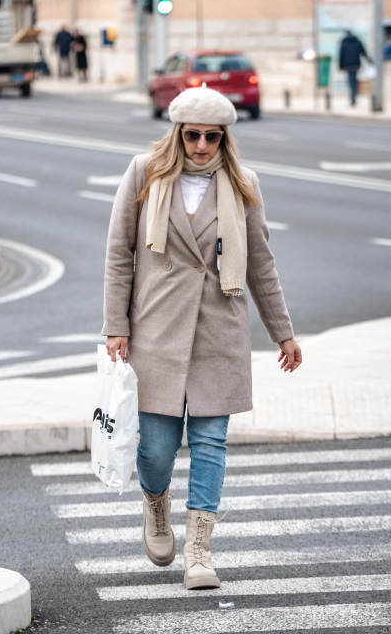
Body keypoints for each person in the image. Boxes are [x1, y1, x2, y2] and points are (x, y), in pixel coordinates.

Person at [103, 85, 302, 590]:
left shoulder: (242, 183)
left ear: (224, 139)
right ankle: (155, 504)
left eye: (212, 138)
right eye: (192, 135)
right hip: (158, 329)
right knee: (156, 451)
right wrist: (116, 325)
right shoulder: (144, 173)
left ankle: (199, 550)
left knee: (211, 442)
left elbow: (261, 264)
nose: (201, 146)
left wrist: (283, 333)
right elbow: (118, 251)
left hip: (220, 330)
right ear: (177, 133)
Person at [337, 29, 369, 107]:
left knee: (351, 82)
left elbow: (341, 55)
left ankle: (353, 98)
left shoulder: (344, 42)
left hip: (348, 65)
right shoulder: (357, 41)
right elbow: (363, 52)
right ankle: (354, 97)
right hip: (356, 64)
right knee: (353, 81)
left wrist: (340, 66)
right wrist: (368, 59)